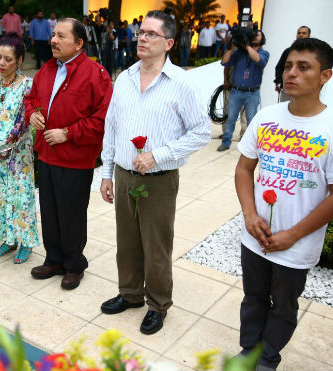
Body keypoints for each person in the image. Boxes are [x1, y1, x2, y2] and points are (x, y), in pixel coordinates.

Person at [234, 38, 333, 371]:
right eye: (289, 66)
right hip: (255, 236)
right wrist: (249, 215)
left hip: (297, 244)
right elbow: (244, 170)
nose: (292, 73)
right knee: (253, 298)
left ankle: (268, 356)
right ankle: (249, 350)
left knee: (283, 305)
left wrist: (293, 235)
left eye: (304, 67)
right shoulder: (267, 117)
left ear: (325, 76)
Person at [99, 10, 211, 335]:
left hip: (159, 179)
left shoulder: (182, 83)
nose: (142, 38)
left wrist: (158, 155)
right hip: (123, 174)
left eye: (151, 34)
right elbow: (112, 127)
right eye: (141, 33)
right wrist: (107, 173)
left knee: (156, 244)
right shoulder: (125, 78)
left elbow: (201, 131)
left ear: (169, 43)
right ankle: (130, 294)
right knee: (127, 239)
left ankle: (158, 304)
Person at [25, 18, 113, 290]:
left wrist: (68, 132)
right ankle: (54, 259)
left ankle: (74, 264)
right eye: (53, 35)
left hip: (76, 159)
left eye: (61, 36)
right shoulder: (46, 70)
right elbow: (30, 100)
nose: (53, 41)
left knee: (71, 213)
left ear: (78, 43)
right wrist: (32, 115)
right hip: (46, 154)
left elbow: (103, 118)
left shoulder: (95, 74)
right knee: (49, 210)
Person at [0, 33, 39, 264]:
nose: (2, 64)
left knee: (20, 198)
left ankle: (25, 242)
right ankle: (8, 239)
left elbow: (22, 125)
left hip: (17, 157)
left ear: (20, 60)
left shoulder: (26, 86)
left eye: (8, 60)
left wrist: (2, 152)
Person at [217, 29, 269, 152]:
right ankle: (226, 142)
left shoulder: (264, 53)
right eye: (255, 35)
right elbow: (224, 62)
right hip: (236, 91)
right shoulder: (239, 53)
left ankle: (250, 146)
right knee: (230, 118)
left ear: (262, 39)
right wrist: (230, 47)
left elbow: (258, 60)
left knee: (251, 120)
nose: (256, 37)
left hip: (252, 93)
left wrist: (247, 46)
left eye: (259, 35)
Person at [274, 26, 311, 102]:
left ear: (309, 36)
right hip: (288, 89)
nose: (301, 35)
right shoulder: (288, 51)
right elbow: (279, 67)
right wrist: (278, 82)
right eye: (299, 33)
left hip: (304, 90)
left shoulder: (312, 53)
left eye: (304, 33)